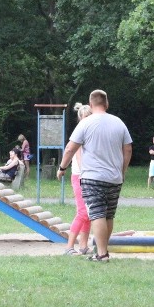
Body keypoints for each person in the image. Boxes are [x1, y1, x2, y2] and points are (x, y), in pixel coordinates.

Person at [57, 89, 132, 262]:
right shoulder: (119, 122)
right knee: (108, 215)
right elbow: (128, 149)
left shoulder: (85, 123)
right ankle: (101, 249)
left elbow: (70, 148)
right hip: (114, 177)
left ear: (91, 104)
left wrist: (62, 168)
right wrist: (122, 170)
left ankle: (102, 254)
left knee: (97, 213)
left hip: (92, 177)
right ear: (107, 104)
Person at [63, 102, 92, 256]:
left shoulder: (90, 133)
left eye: (90, 117)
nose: (88, 120)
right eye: (86, 117)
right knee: (82, 212)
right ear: (80, 119)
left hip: (88, 177)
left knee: (88, 214)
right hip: (80, 176)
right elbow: (80, 159)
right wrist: (86, 175)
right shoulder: (79, 134)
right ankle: (69, 247)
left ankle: (83, 246)